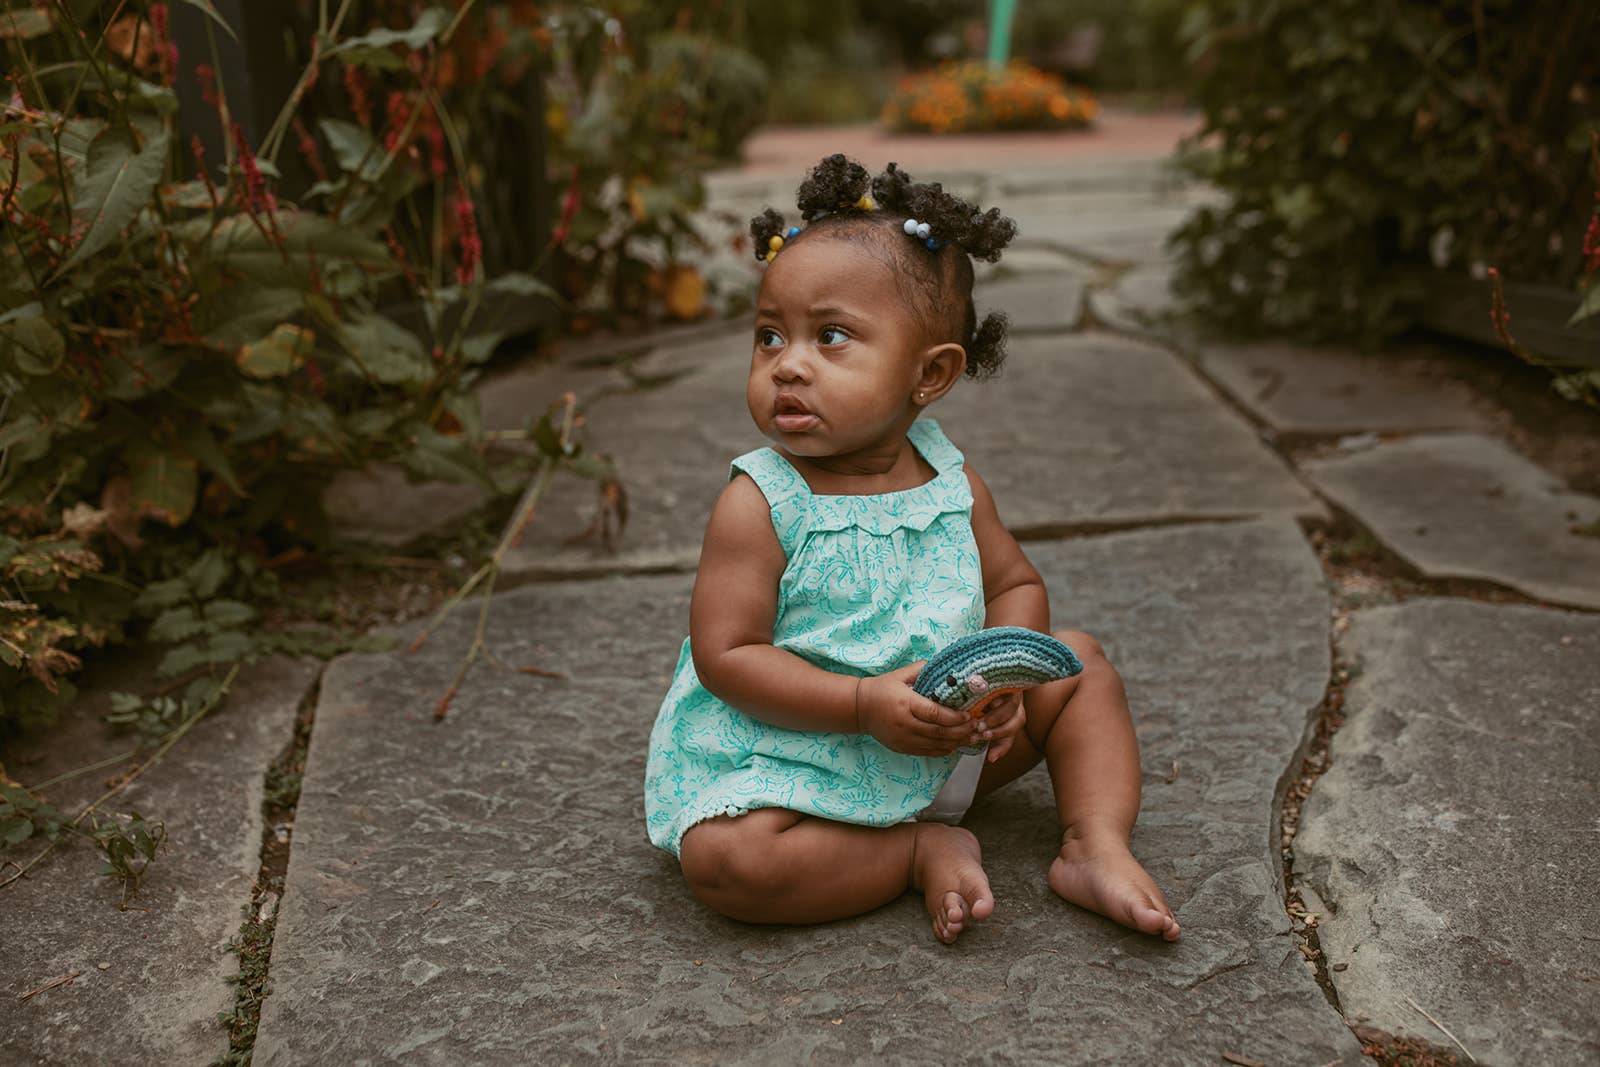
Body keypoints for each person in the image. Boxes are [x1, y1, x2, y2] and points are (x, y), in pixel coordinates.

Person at [643, 154, 1180, 945]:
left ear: (930, 373)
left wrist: (1007, 679)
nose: (788, 364)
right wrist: (862, 705)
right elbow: (728, 655)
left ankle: (1093, 841)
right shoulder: (759, 503)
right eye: (768, 336)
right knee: (725, 861)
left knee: (1083, 664)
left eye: (830, 337)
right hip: (805, 763)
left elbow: (1016, 585)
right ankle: (910, 849)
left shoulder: (952, 485)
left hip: (947, 742)